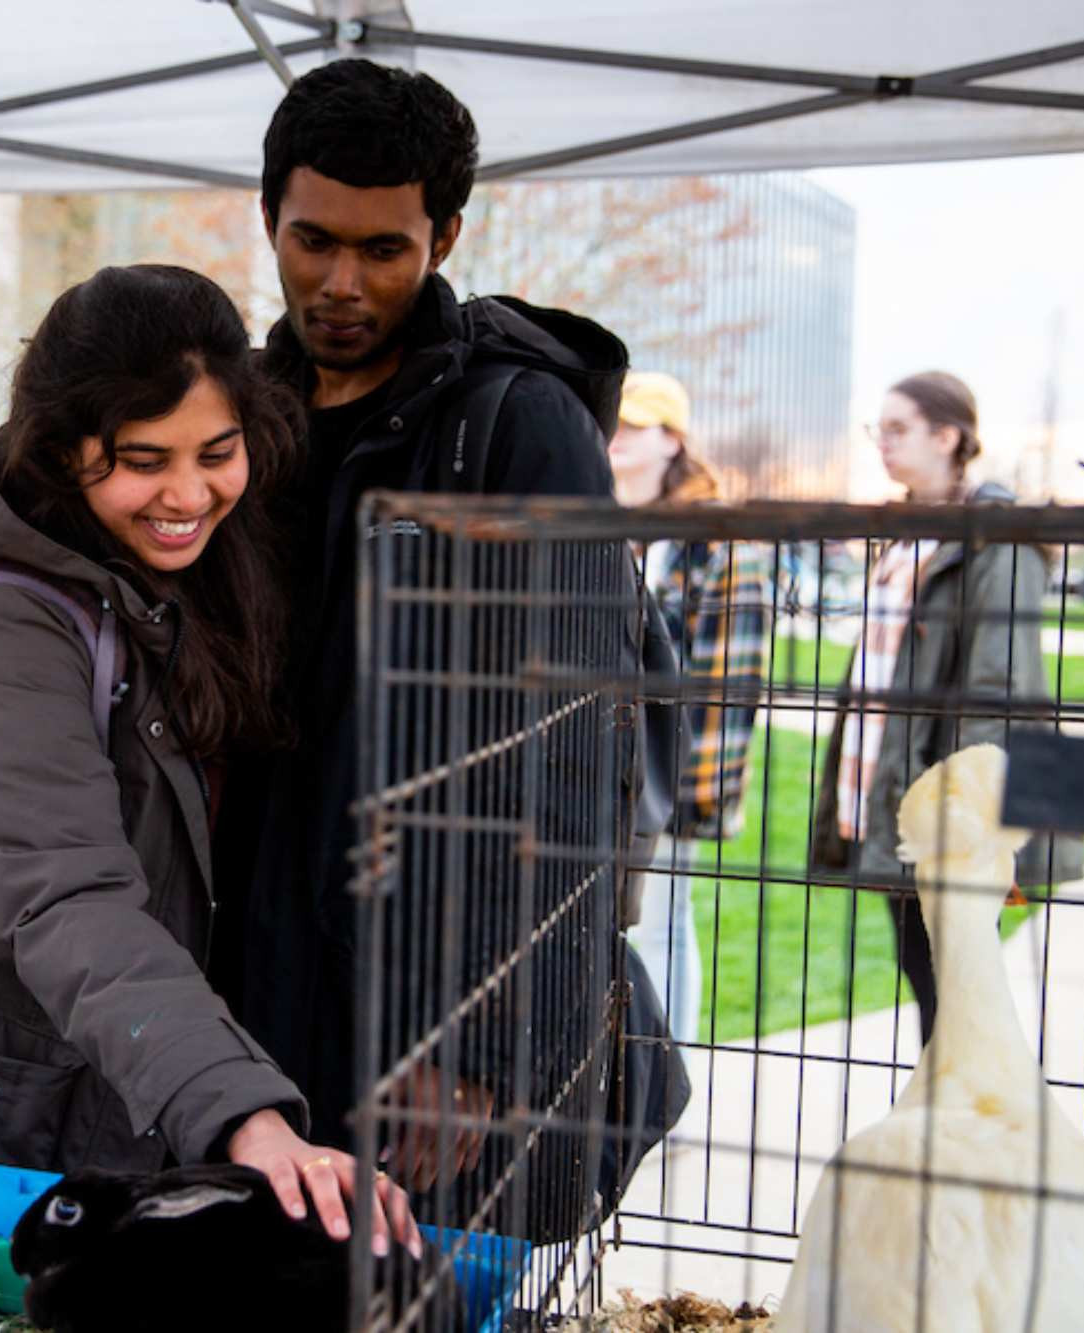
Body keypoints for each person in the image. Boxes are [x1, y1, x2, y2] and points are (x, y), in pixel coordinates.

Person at [0, 265, 418, 1258]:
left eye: (215, 452)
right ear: (63, 450)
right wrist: (244, 1115)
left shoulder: (185, 570)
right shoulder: (0, 622)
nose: (188, 493)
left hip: (55, 1079)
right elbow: (67, 894)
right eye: (144, 460)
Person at [212, 58, 638, 1216]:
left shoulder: (517, 426)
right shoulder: (238, 424)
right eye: (310, 241)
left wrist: (485, 1047)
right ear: (266, 218)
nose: (340, 282)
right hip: (248, 986)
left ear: (443, 237)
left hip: (426, 1003)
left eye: (382, 250)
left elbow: (572, 757)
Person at [814, 371, 1084, 1044]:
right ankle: (955, 1121)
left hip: (946, 812)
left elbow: (998, 689)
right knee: (928, 976)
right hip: (890, 788)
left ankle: (966, 1129)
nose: (883, 443)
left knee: (954, 990)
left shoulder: (999, 539)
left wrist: (965, 825)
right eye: (877, 429)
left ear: (948, 436)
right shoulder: (908, 532)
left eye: (898, 428)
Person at [608, 372, 772, 1049]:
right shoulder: (602, 524)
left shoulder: (716, 541)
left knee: (664, 922)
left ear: (672, 439)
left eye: (632, 427)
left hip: (671, 776)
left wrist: (692, 793)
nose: (614, 439)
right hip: (601, 767)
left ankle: (663, 1066)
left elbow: (730, 679)